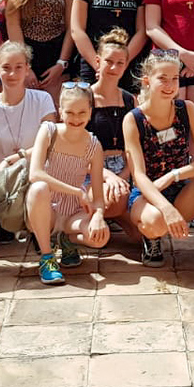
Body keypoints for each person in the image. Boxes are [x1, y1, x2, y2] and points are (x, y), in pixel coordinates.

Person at [124, 51, 194, 290]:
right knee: (155, 222)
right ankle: (151, 239)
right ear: (147, 81)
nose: (170, 85)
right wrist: (166, 208)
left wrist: (174, 175)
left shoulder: (186, 109)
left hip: (180, 188)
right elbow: (138, 175)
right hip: (148, 194)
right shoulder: (133, 119)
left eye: (175, 79)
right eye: (163, 78)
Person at [26, 83, 110, 285]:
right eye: (70, 112)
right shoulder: (48, 131)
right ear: (60, 111)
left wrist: (98, 216)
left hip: (73, 212)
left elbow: (98, 198)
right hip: (45, 208)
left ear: (90, 112)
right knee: (39, 188)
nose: (76, 118)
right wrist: (77, 191)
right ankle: (47, 257)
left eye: (82, 112)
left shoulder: (94, 145)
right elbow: (35, 174)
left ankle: (66, 240)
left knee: (101, 236)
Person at [0, 41, 57, 231]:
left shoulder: (43, 100)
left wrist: (17, 159)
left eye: (18, 67)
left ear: (27, 69)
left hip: (37, 170)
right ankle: (8, 219)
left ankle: (31, 225)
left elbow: (50, 145)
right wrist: (4, 179)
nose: (12, 74)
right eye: (6, 68)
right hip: (1, 172)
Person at [85, 29, 141, 240]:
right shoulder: (84, 97)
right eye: (108, 61)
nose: (113, 68)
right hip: (91, 169)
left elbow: (134, 146)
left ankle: (117, 217)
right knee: (112, 200)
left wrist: (123, 176)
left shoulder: (129, 100)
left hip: (124, 169)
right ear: (98, 61)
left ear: (126, 66)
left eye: (120, 63)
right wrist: (107, 176)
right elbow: (75, 148)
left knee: (141, 236)